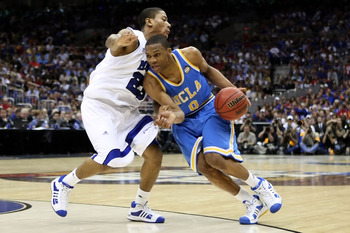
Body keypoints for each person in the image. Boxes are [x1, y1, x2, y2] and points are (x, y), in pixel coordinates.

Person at [143, 35, 282, 225]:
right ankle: (251, 203)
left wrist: (233, 90)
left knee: (215, 158)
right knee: (203, 166)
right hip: (183, 121)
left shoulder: (190, 55)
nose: (152, 60)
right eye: (148, 56)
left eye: (156, 55)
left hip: (209, 109)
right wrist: (171, 116)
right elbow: (178, 112)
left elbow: (209, 71)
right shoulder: (151, 81)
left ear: (169, 52)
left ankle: (260, 185)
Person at [50, 7, 171, 223]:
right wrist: (117, 40)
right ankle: (64, 183)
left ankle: (139, 207)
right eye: (164, 19)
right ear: (149, 22)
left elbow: (153, 88)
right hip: (101, 106)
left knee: (155, 155)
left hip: (127, 110)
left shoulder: (156, 53)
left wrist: (159, 110)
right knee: (119, 158)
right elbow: (112, 42)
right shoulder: (135, 38)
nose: (169, 24)